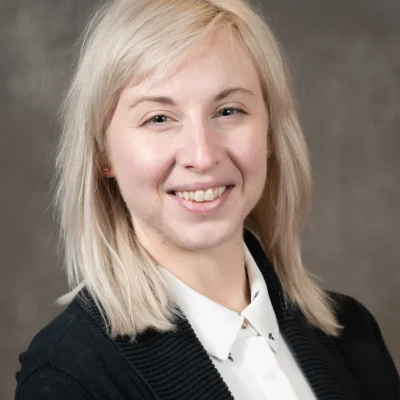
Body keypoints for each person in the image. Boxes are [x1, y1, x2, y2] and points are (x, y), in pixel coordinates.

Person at [15, 0, 399, 399]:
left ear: (270, 132)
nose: (203, 155)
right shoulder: (68, 380)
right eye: (158, 118)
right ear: (103, 154)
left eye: (228, 110)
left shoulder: (352, 336)